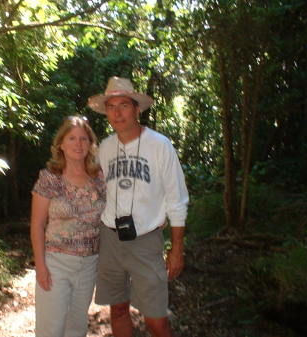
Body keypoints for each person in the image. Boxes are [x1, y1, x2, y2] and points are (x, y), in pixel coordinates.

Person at [87, 76, 189, 337]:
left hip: (146, 240)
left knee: (156, 319)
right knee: (118, 309)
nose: (117, 112)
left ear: (136, 109)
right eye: (111, 106)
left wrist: (176, 249)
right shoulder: (106, 148)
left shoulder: (160, 145)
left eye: (123, 105)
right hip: (110, 238)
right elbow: (91, 184)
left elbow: (177, 199)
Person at [30, 116, 106, 337]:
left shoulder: (99, 179)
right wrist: (41, 266)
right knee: (50, 330)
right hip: (56, 265)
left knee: (76, 328)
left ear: (91, 144)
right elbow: (37, 225)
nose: (78, 144)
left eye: (84, 139)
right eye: (72, 138)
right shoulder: (50, 178)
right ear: (61, 144)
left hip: (89, 265)